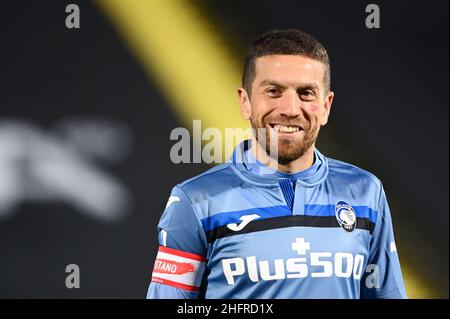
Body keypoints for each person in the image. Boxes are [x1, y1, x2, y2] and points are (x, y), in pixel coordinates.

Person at [147, 29, 407, 299]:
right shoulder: (195, 202)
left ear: (326, 106)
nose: (290, 109)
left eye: (306, 93)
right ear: (245, 102)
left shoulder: (365, 192)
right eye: (273, 91)